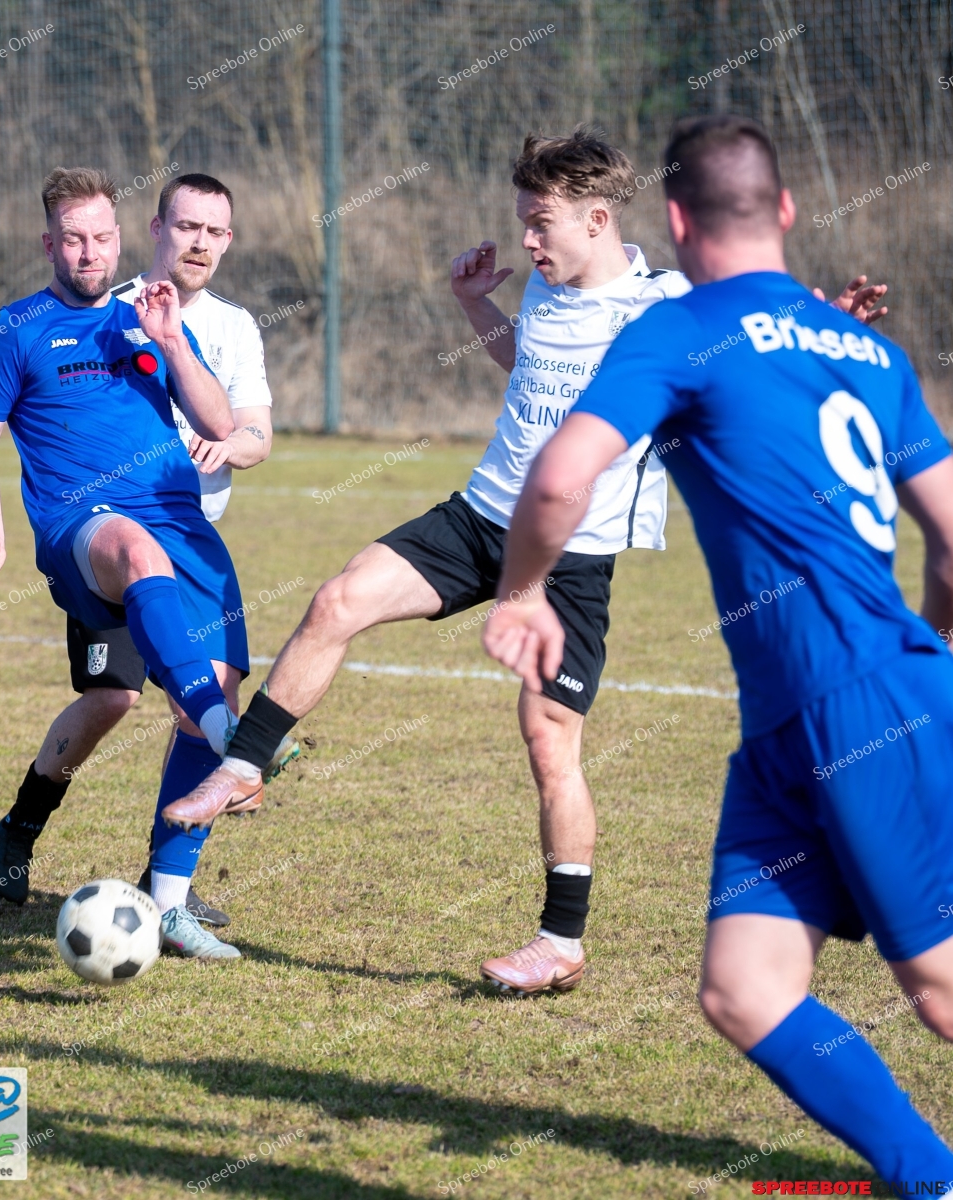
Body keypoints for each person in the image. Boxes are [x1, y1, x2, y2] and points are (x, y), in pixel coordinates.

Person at [159, 127, 885, 995]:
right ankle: (243, 769)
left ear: (598, 219)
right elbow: (531, 367)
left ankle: (560, 941)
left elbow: (756, 349)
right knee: (339, 599)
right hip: (479, 516)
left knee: (549, 742)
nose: (528, 240)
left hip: (572, 558)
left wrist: (830, 328)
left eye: (541, 223)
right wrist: (476, 307)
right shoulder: (546, 286)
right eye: (524, 222)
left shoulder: (666, 306)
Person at [483, 113, 953, 1177]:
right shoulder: (870, 352)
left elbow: (558, 478)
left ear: (677, 218)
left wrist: (521, 592)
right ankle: (928, 1177)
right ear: (784, 208)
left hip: (854, 706)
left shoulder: (678, 330)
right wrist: (928, 648)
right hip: (796, 726)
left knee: (938, 992)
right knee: (744, 991)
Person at [0, 166, 251, 960]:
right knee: (122, 684)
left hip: (180, 525)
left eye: (102, 238)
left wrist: (171, 339)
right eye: (74, 240)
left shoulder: (146, 319)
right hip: (81, 528)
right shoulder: (13, 330)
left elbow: (221, 424)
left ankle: (169, 902)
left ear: (122, 239)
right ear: (49, 244)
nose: (90, 253)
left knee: (171, 694)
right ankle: (23, 826)